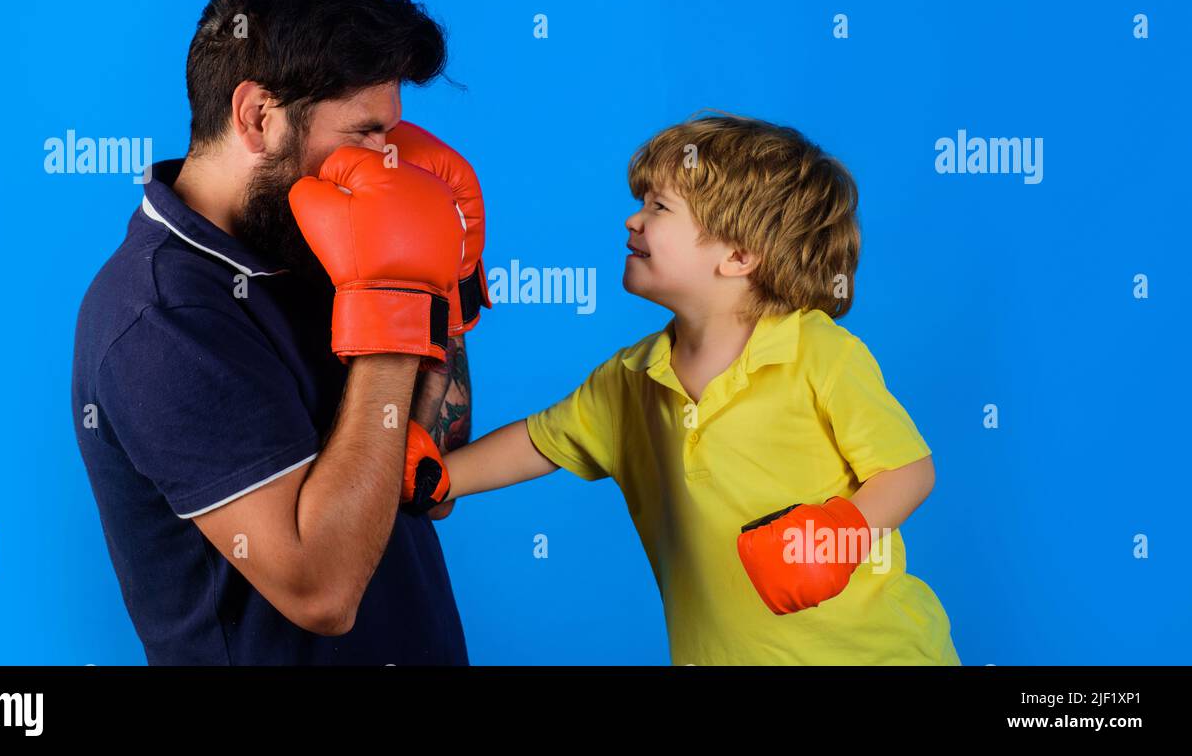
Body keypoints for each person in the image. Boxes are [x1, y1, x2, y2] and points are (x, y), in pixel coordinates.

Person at [402, 112, 962, 665]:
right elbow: (539, 443)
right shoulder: (631, 377)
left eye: (658, 207)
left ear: (739, 255)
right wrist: (441, 476)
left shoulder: (817, 352)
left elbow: (909, 470)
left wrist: (839, 537)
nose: (632, 220)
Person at [71, 0, 485, 665]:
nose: (391, 160)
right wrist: (392, 304)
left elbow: (427, 480)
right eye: (365, 132)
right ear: (259, 116)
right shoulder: (160, 319)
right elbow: (321, 592)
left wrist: (443, 285)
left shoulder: (312, 235)